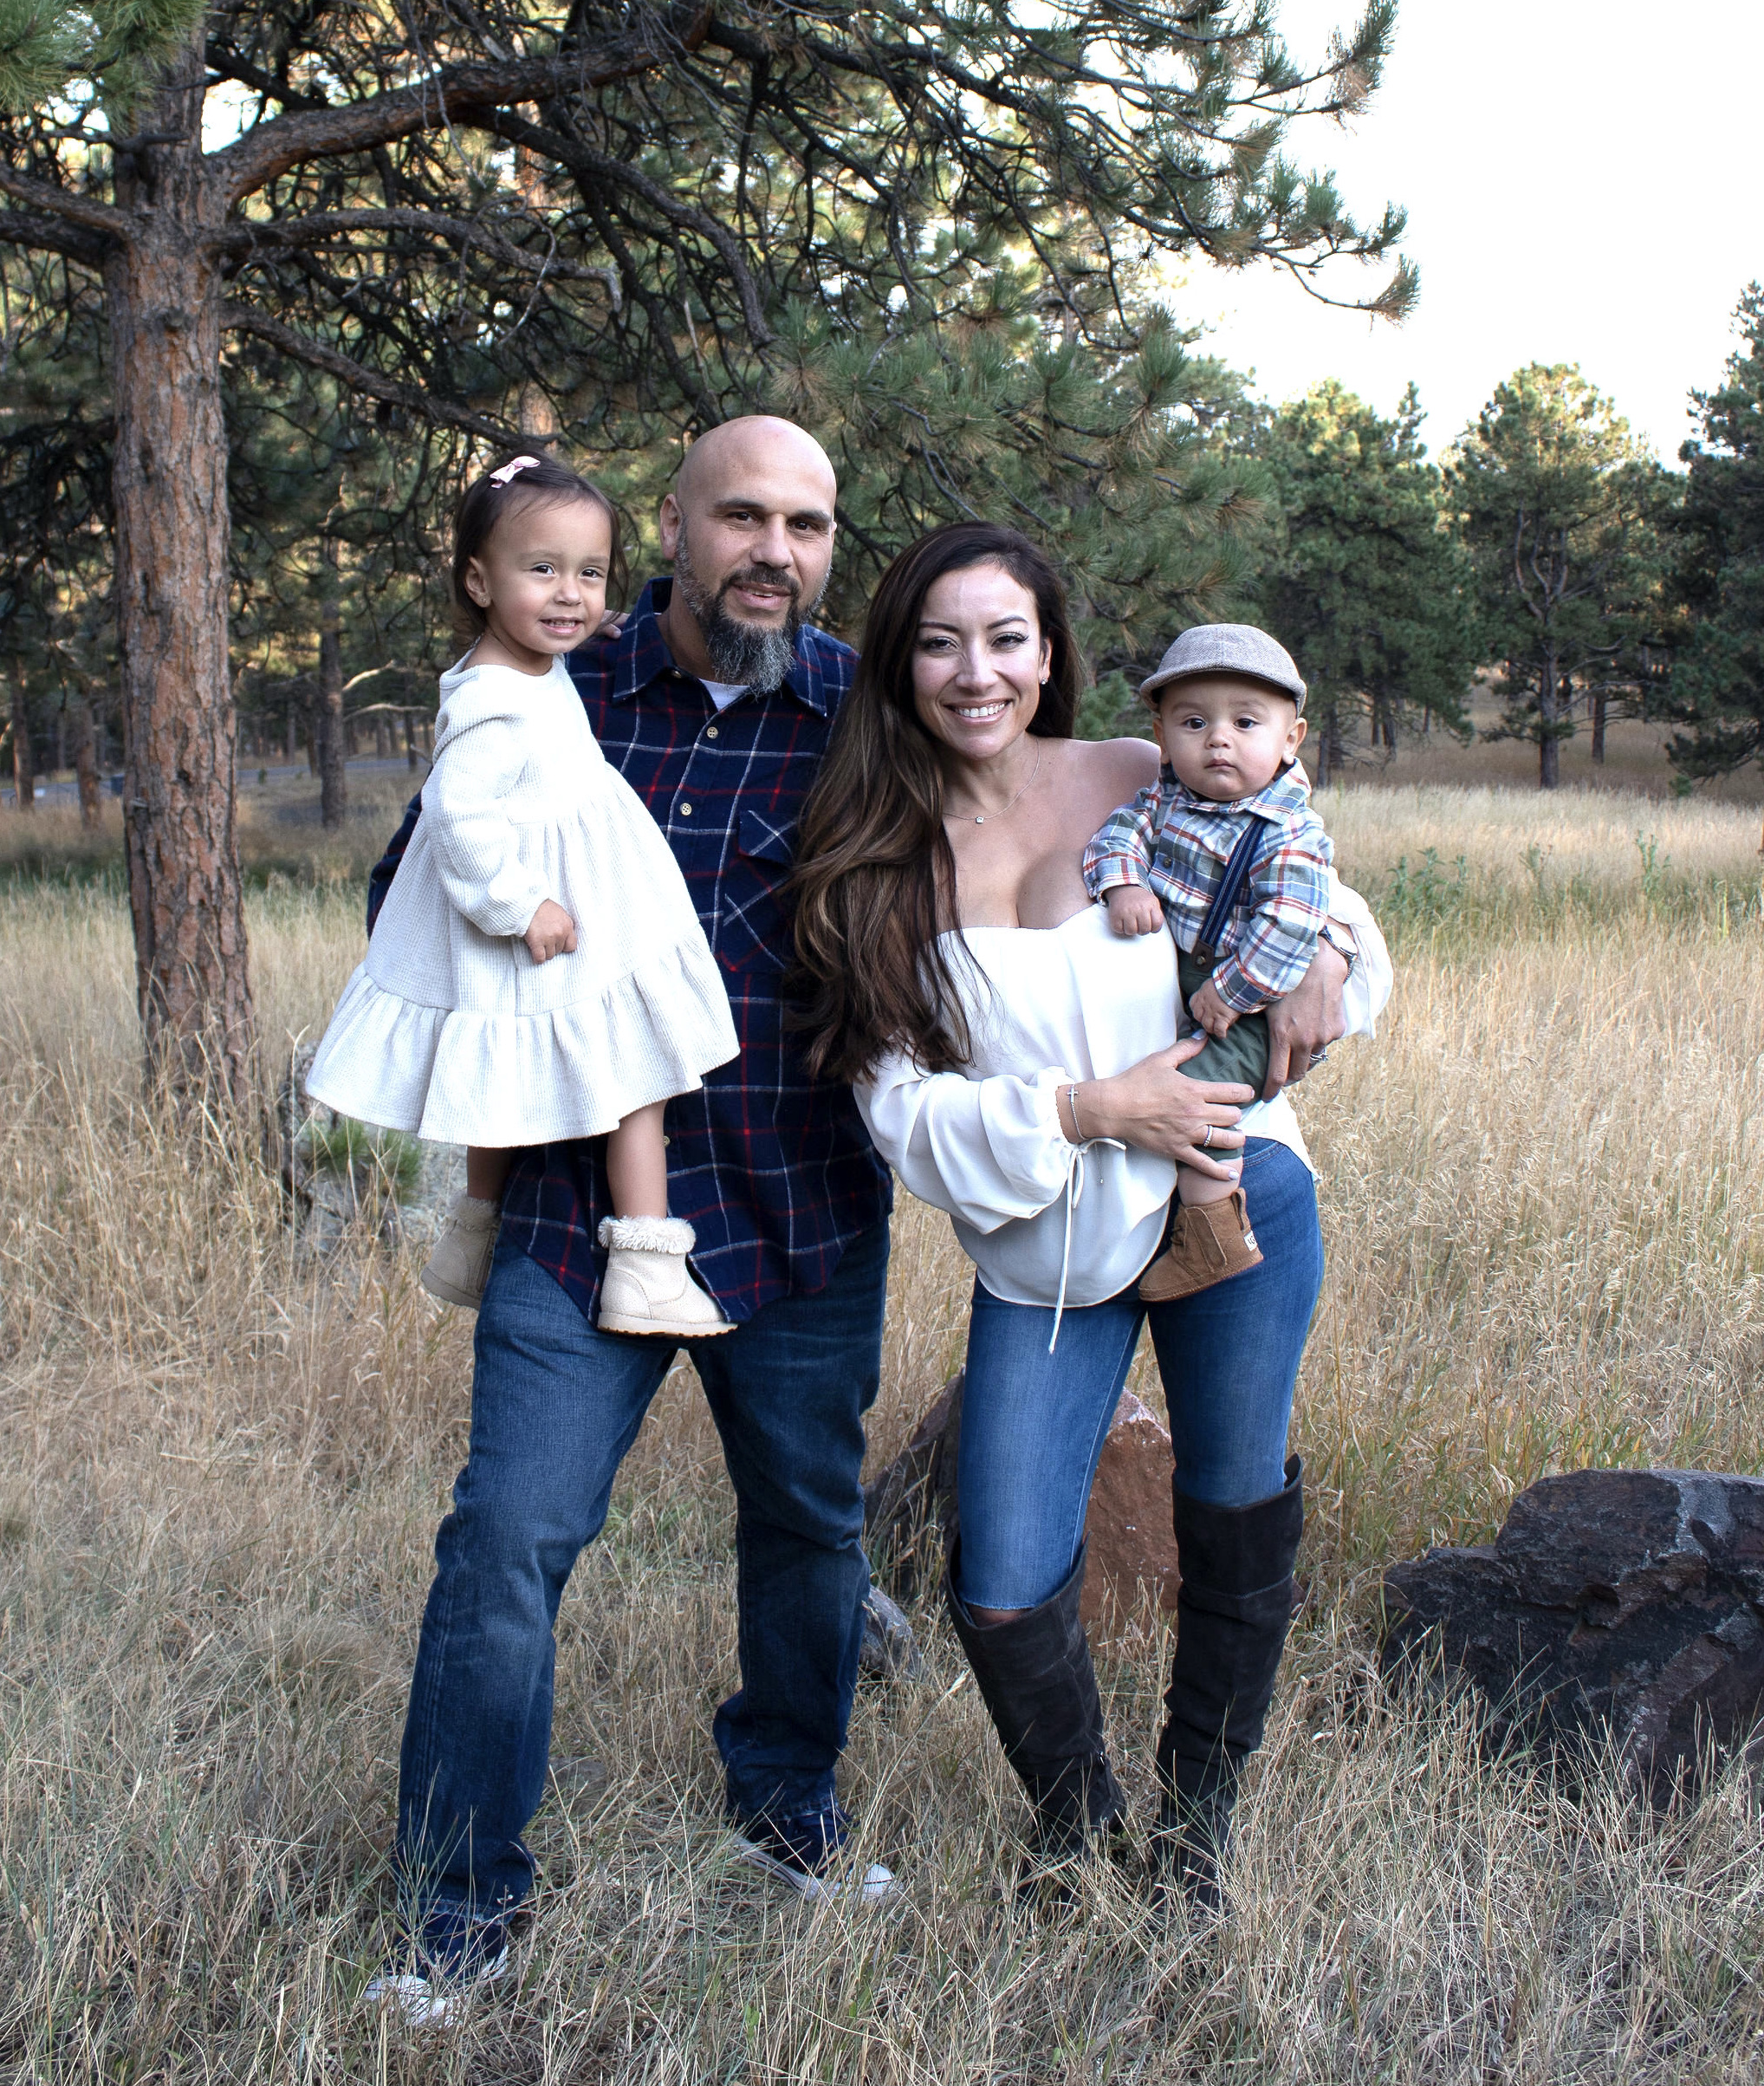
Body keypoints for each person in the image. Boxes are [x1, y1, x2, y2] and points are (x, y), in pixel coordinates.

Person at [360, 419, 894, 2027]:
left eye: (806, 523)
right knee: (507, 1541)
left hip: (801, 1201)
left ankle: (786, 1813)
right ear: (674, 523)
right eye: (742, 514)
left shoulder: (870, 707)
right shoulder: (554, 682)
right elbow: (416, 880)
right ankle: (458, 1914)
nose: (773, 550)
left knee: (809, 1529)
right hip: (580, 1208)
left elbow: (1051, 807)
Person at [790, 522, 1391, 1912]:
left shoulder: (1143, 770)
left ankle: (1197, 1835)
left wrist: (1338, 956)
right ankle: (1080, 1826)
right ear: (900, 664)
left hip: (1236, 1196)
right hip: (1046, 1253)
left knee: (1232, 1505)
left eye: (1005, 637)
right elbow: (902, 1116)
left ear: (1048, 652)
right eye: (939, 641)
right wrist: (1089, 1111)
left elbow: (1318, 889)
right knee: (999, 1581)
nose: (975, 669)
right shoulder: (875, 854)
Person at [306, 453, 738, 1335]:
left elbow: (552, 641)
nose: (569, 595)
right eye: (540, 571)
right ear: (477, 578)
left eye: (588, 574)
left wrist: (578, 619)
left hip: (558, 904)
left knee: (500, 1075)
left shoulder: (524, 667)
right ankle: (644, 1262)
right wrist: (517, 905)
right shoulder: (495, 704)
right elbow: (458, 818)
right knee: (635, 1074)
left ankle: (475, 1233)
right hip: (551, 920)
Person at [1081, 625, 1333, 1303]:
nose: (1218, 738)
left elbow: (1290, 925)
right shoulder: (1166, 799)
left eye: (1245, 722)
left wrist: (1230, 990)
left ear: (1291, 739)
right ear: (1161, 733)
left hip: (1247, 1002)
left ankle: (1213, 1229)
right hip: (1194, 988)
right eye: (1195, 722)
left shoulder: (1289, 831)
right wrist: (1123, 882)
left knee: (1195, 1100)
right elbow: (1118, 834)